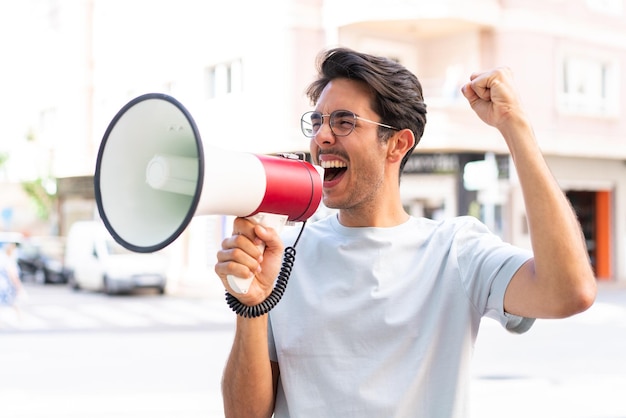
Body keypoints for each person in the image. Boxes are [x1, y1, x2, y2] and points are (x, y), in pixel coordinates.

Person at [214, 47, 597, 417]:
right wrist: (251, 304)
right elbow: (245, 415)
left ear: (397, 144)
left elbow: (569, 291)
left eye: (343, 121)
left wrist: (515, 126)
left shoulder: (455, 251)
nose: (322, 137)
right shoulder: (284, 257)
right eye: (316, 122)